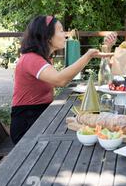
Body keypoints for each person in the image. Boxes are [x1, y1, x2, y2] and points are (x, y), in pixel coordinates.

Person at [10, 15, 110, 144]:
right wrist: (88, 56)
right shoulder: (31, 59)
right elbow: (60, 80)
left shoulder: (43, 58)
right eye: (61, 30)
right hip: (27, 126)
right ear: (47, 35)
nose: (65, 35)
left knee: (82, 127)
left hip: (41, 117)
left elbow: (54, 83)